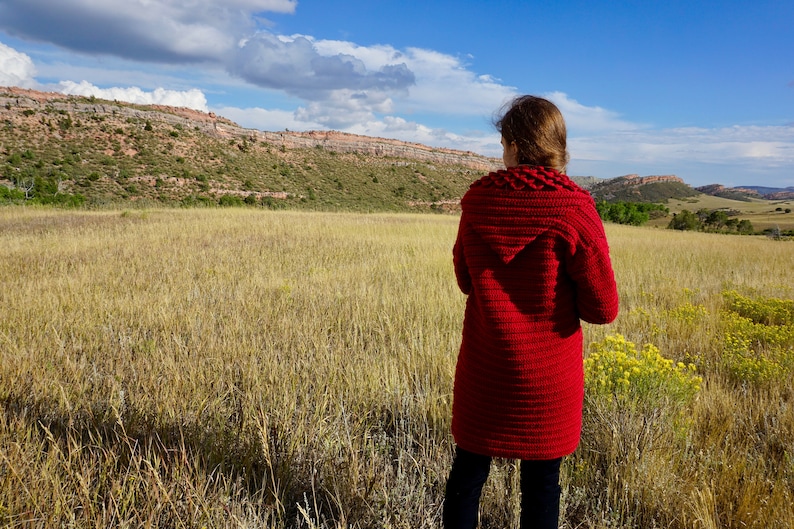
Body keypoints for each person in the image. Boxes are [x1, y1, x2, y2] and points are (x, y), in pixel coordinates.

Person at [444, 95, 619, 529]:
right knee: (542, 485)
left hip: (484, 371)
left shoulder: (477, 202)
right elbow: (602, 309)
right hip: (547, 380)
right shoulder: (576, 208)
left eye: (503, 142)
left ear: (516, 145)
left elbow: (466, 280)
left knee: (467, 476)